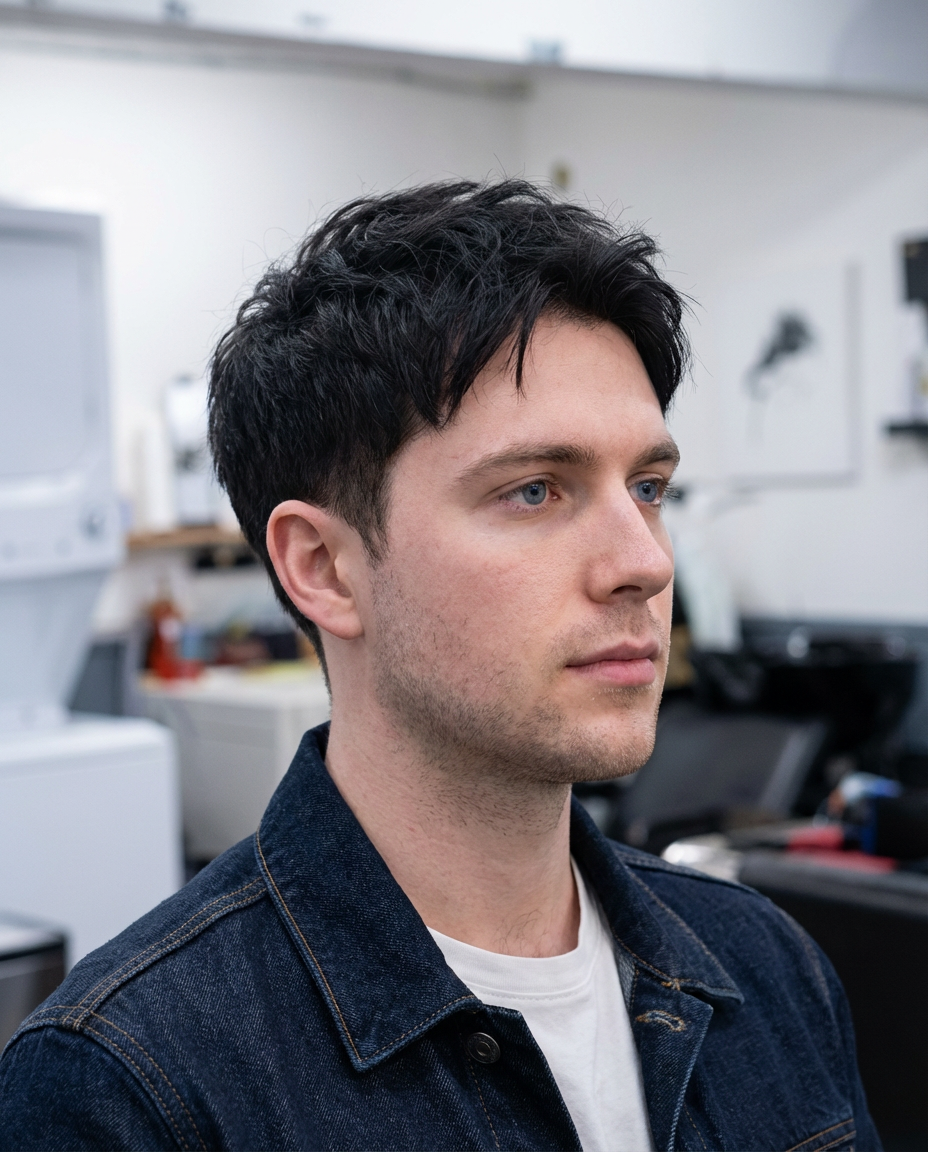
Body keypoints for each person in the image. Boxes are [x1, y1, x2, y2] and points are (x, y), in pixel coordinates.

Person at [0, 180, 877, 1152]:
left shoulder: (763, 962)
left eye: (648, 486)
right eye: (536, 490)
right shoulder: (131, 1086)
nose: (645, 563)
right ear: (324, 568)